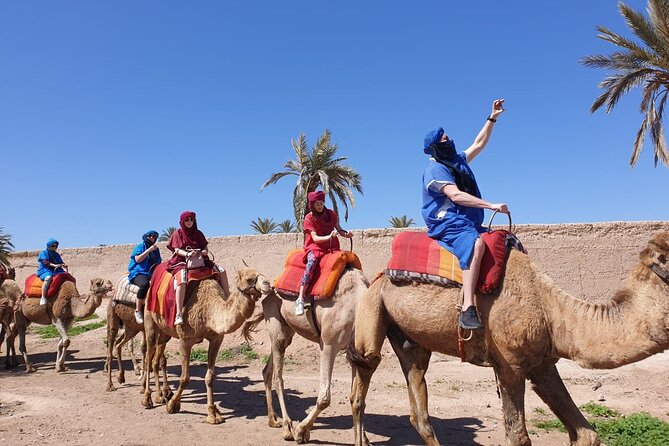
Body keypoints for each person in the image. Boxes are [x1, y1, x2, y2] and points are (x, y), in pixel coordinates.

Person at [421, 99, 510, 330]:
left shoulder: (456, 160)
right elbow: (456, 196)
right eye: (445, 140)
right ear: (437, 147)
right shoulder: (434, 169)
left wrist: (493, 117)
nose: (449, 141)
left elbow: (479, 144)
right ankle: (467, 307)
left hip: (467, 219)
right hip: (447, 221)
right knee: (477, 245)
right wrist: (490, 205)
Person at [295, 190, 353, 316]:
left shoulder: (331, 214)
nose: (320, 206)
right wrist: (329, 237)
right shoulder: (309, 218)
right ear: (312, 205)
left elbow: (339, 229)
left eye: (321, 203)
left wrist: (346, 234)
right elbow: (315, 238)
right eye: (317, 204)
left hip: (332, 247)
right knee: (312, 264)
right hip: (315, 248)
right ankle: (300, 298)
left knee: (347, 262)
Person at [167, 211, 230, 325]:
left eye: (191, 219)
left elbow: (205, 247)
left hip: (200, 260)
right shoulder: (178, 233)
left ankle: (227, 299)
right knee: (182, 281)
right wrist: (187, 254)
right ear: (182, 221)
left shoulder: (198, 233)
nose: (189, 222)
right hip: (181, 261)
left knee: (222, 271)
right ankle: (179, 313)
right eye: (187, 220)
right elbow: (176, 249)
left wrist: (203, 252)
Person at [128, 230, 162, 324]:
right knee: (144, 284)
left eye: (154, 236)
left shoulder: (156, 250)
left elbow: (158, 262)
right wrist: (149, 250)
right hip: (138, 273)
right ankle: (138, 311)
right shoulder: (140, 247)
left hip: (151, 273)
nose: (152, 238)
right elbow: (138, 259)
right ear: (146, 237)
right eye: (150, 236)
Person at [36, 238, 68, 306]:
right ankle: (43, 297)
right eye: (53, 245)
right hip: (45, 270)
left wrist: (63, 265)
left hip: (57, 270)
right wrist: (54, 265)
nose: (54, 247)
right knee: (48, 278)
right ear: (49, 246)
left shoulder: (56, 254)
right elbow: (46, 262)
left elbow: (61, 262)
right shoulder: (44, 253)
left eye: (55, 246)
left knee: (68, 277)